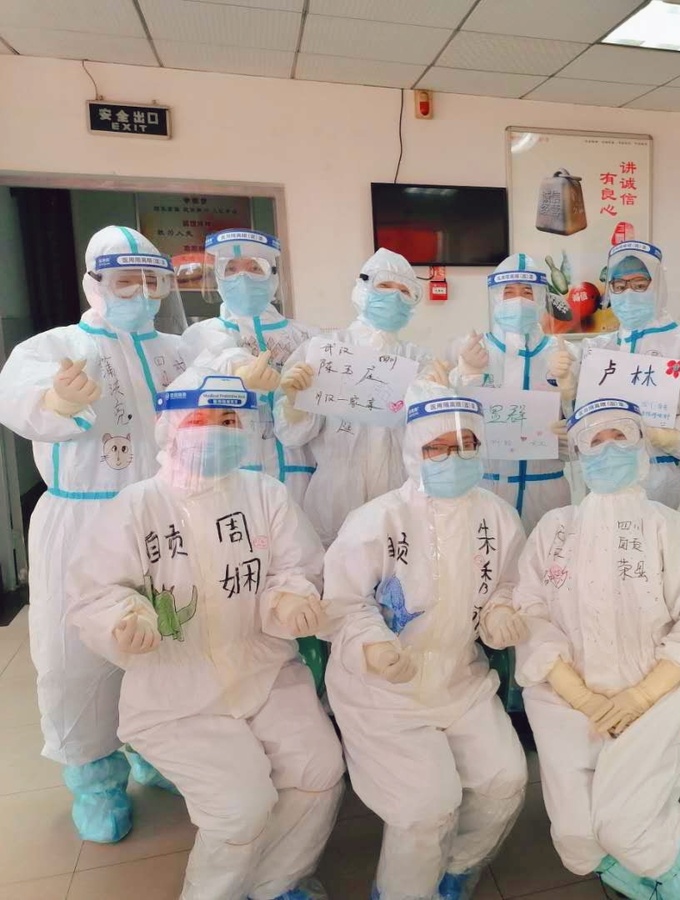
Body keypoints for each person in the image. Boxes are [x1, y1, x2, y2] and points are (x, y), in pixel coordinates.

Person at [70, 370, 344, 900]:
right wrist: (125, 620)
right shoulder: (138, 505)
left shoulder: (265, 494)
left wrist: (292, 600)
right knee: (241, 806)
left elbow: (297, 568)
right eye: (203, 419)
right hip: (175, 689)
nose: (218, 431)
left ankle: (277, 882)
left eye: (230, 421)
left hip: (263, 668)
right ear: (171, 428)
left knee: (320, 770)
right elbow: (95, 591)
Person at [509, 397, 680, 900]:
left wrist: (640, 696)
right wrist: (580, 695)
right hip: (564, 699)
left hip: (652, 695)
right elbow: (530, 613)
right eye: (594, 441)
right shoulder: (554, 529)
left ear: (641, 448)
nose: (608, 449)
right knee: (576, 841)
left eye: (620, 437)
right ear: (578, 454)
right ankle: (649, 884)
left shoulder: (672, 528)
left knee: (631, 832)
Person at [0, 225, 188, 843]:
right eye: (124, 281)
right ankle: (95, 780)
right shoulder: (54, 346)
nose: (140, 293)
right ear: (94, 283)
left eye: (151, 281)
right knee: (77, 658)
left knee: (169, 640)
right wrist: (56, 400)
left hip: (164, 520)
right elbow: (18, 400)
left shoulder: (177, 351)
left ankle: (158, 750)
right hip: (83, 522)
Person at [323, 380, 527, 900]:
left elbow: (506, 585)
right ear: (413, 450)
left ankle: (457, 867)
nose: (453, 459)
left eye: (466, 445)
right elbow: (343, 603)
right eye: (437, 447)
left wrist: (501, 614)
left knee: (505, 779)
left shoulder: (498, 516)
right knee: (427, 807)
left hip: (460, 678)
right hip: (382, 691)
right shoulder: (378, 520)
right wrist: (372, 645)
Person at [274, 248, 435, 547]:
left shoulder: (418, 360)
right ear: (363, 288)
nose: (394, 297)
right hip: (335, 497)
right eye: (385, 286)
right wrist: (295, 404)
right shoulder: (325, 349)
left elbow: (429, 435)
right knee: (336, 565)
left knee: (396, 562)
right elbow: (292, 436)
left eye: (404, 291)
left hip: (397, 490)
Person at [181, 229, 319, 503]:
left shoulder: (306, 337)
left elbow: (320, 415)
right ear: (217, 277)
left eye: (255, 268)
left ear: (273, 276)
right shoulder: (200, 336)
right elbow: (190, 415)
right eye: (230, 269)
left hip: (299, 476)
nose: (242, 278)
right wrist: (233, 380)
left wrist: (295, 410)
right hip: (232, 477)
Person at [448, 252, 576, 531]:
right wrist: (468, 375)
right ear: (496, 298)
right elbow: (453, 425)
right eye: (509, 292)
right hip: (488, 489)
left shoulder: (563, 353)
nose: (518, 300)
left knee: (549, 553)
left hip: (547, 487)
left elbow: (586, 429)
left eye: (527, 292)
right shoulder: (473, 350)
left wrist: (569, 402)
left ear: (540, 297)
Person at [581, 241, 680, 508]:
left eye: (640, 284)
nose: (629, 293)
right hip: (605, 478)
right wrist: (568, 392)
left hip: (663, 479)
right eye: (619, 286)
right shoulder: (598, 348)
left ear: (658, 285)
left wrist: (665, 436)